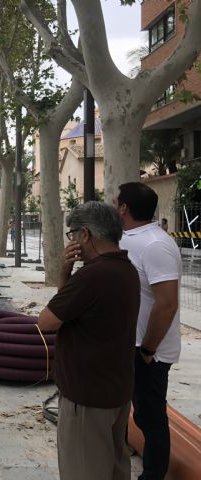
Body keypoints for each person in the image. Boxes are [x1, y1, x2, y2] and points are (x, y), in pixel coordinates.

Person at [37, 201, 140, 480]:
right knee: (114, 468)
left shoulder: (93, 275)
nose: (72, 242)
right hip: (115, 391)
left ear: (85, 234)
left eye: (72, 235)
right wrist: (66, 275)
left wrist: (64, 272)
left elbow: (47, 321)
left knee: (83, 470)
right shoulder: (126, 269)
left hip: (87, 398)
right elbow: (68, 311)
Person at [115, 182, 182, 480]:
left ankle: (153, 475)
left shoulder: (156, 245)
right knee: (131, 411)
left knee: (150, 416)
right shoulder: (128, 239)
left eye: (115, 201)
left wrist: (148, 350)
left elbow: (167, 304)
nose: (112, 206)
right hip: (129, 343)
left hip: (148, 350)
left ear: (124, 208)